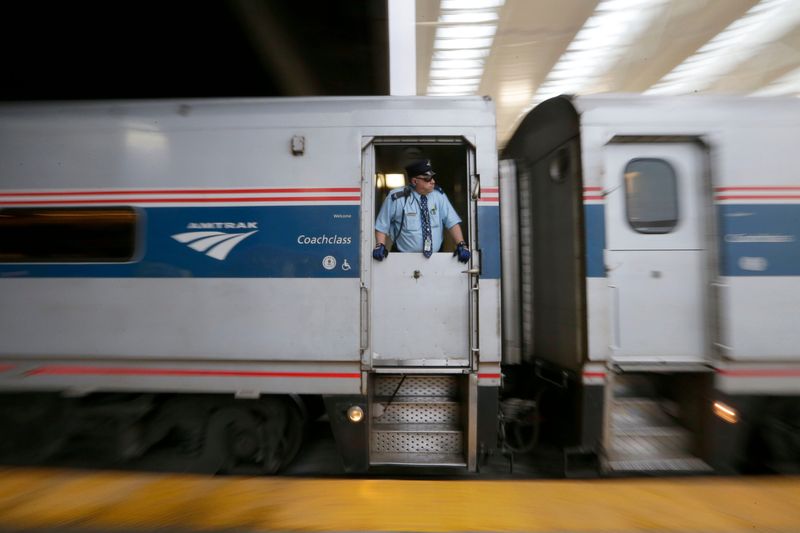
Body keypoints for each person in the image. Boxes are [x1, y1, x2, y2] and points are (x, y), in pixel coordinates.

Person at [373, 160, 471, 263]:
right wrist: (380, 245)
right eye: (427, 179)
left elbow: (452, 222)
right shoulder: (396, 198)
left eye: (432, 177)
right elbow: (382, 225)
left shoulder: (439, 196)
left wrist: (461, 244)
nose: (432, 181)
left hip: (435, 258)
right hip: (402, 259)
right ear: (415, 181)